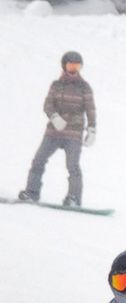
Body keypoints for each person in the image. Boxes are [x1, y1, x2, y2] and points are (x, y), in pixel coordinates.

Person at [18, 51, 96, 208]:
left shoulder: (84, 87)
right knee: (38, 160)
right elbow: (48, 104)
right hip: (53, 132)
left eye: (77, 66)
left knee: (72, 166)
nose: (73, 69)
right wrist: (54, 117)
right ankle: (32, 193)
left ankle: (73, 198)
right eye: (71, 65)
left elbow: (90, 109)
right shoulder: (56, 85)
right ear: (64, 66)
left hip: (73, 133)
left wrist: (92, 129)